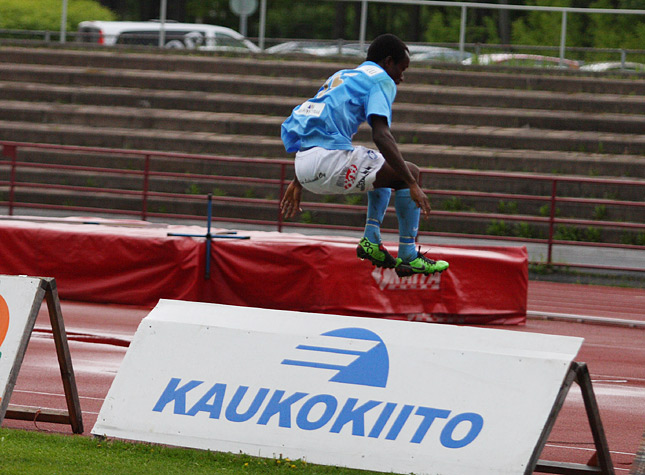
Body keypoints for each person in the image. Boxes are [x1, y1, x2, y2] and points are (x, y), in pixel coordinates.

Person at [279, 34, 449, 278]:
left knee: (378, 166)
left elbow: (315, 124)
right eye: (402, 69)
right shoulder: (382, 80)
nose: (402, 78)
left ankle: (371, 239)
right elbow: (381, 135)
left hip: (304, 163)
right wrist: (413, 185)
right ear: (388, 62)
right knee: (408, 171)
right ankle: (408, 255)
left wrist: (297, 179)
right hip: (328, 162)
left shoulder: (341, 76)